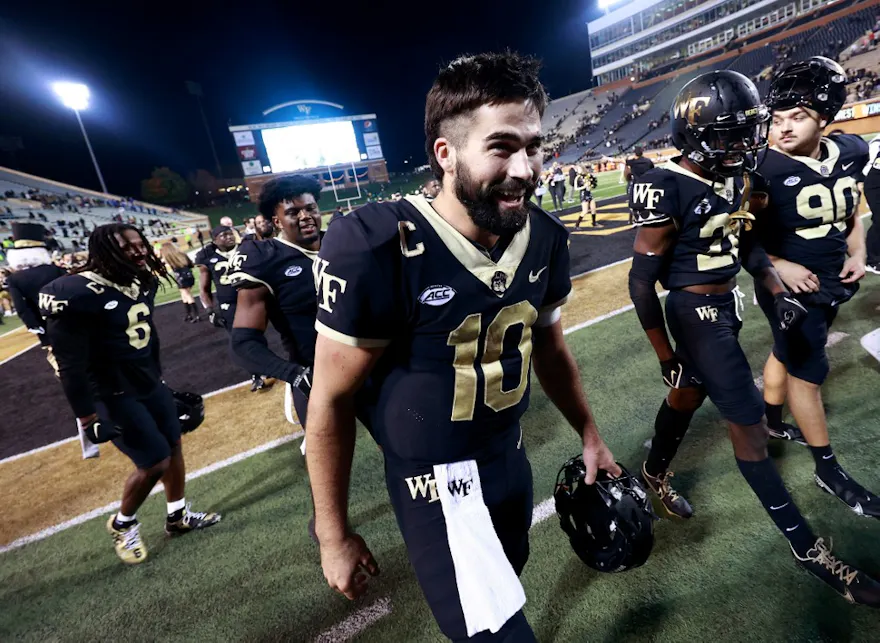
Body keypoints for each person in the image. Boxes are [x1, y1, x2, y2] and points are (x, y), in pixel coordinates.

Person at [307, 51, 620, 640]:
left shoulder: (544, 236)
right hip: (437, 483)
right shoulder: (376, 245)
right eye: (502, 147)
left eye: (533, 146)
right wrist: (333, 533)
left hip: (509, 458)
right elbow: (329, 399)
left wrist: (590, 435)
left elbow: (548, 349)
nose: (526, 168)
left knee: (510, 582)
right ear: (445, 154)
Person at [628, 69, 880, 606]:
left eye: (747, 131)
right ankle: (810, 551)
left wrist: (773, 284)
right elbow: (640, 282)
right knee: (750, 431)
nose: (743, 144)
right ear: (695, 134)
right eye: (727, 134)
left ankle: (653, 471)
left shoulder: (737, 175)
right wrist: (663, 352)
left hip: (727, 304)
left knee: (688, 395)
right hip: (693, 309)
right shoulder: (666, 183)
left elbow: (744, 246)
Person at [39, 223, 220, 564]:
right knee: (154, 461)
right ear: (104, 253)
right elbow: (70, 366)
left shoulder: (142, 280)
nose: (138, 251)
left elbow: (146, 338)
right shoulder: (76, 294)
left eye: (140, 244)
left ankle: (177, 515)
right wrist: (88, 418)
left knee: (174, 444)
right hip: (111, 394)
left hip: (148, 384)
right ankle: (123, 524)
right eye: (127, 247)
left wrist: (158, 380)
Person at [754, 57, 879, 515]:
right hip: (786, 287)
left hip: (829, 281)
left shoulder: (850, 151)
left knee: (783, 352)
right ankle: (827, 469)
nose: (782, 128)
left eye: (798, 117)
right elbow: (737, 239)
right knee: (809, 373)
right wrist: (779, 264)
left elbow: (850, 209)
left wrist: (859, 250)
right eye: (778, 118)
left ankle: (770, 420)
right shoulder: (759, 168)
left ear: (824, 119)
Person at [228, 175, 322, 432]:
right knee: (326, 465)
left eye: (310, 208)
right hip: (315, 376)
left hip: (368, 366)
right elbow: (243, 342)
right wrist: (295, 374)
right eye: (293, 212)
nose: (305, 217)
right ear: (276, 221)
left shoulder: (343, 242)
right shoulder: (265, 257)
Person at [195, 226, 268, 391]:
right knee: (241, 340)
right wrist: (209, 310)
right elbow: (204, 288)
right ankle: (255, 374)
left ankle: (270, 365)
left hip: (255, 298)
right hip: (230, 304)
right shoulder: (208, 257)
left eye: (230, 234)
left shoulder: (246, 247)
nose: (228, 237)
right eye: (223, 235)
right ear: (215, 240)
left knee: (261, 334)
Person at [159, 242, 199, 323]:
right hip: (189, 276)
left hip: (181, 278)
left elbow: (162, 265)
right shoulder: (181, 254)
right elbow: (191, 264)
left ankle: (195, 315)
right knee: (184, 295)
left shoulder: (168, 257)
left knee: (187, 295)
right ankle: (189, 314)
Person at [625, 146, 655, 224]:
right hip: (648, 183)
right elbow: (653, 170)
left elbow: (623, 162)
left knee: (635, 203)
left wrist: (608, 158)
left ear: (635, 153)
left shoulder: (633, 162)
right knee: (649, 202)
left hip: (638, 185)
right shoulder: (648, 161)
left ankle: (636, 219)